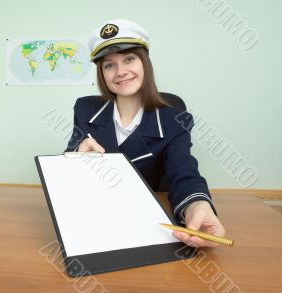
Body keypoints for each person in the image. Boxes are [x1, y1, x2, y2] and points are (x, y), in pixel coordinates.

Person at [65, 19, 225, 248]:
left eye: (129, 59)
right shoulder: (85, 109)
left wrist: (197, 205)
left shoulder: (174, 121)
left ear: (144, 63)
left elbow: (185, 172)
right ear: (102, 73)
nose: (120, 72)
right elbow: (66, 171)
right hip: (94, 221)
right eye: (109, 65)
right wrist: (75, 156)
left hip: (144, 226)